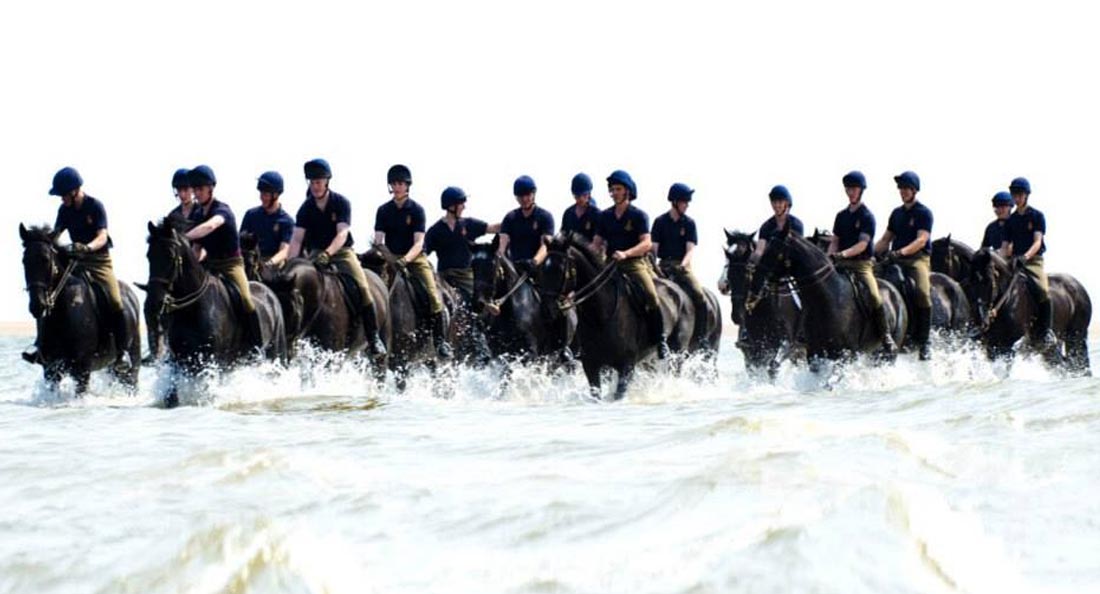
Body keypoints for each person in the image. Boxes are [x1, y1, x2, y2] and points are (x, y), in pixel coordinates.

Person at [27, 167, 133, 371]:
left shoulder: (95, 206)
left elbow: (102, 236)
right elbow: (56, 234)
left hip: (99, 261)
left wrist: (87, 247)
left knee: (115, 300)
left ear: (74, 191)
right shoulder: (64, 210)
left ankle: (122, 353)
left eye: (63, 195)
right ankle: (41, 346)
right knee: (50, 294)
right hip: (75, 261)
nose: (61, 199)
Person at [287, 158, 386, 356]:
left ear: (326, 182)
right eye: (312, 182)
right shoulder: (305, 208)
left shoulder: (341, 203)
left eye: (318, 182)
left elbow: (342, 234)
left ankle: (373, 336)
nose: (315, 186)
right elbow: (297, 239)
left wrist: (328, 253)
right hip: (315, 254)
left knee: (363, 287)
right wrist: (290, 264)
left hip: (341, 253)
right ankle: (291, 337)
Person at [183, 165, 263, 352]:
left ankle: (256, 347)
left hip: (230, 265)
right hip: (209, 264)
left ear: (211, 189)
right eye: (195, 189)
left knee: (246, 299)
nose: (197, 193)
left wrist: (183, 237)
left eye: (200, 189)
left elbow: (211, 226)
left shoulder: (222, 210)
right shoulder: (196, 214)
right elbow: (197, 248)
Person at [374, 164, 451, 359]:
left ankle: (440, 341)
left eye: (401, 183)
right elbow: (378, 240)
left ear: (407, 186)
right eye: (394, 183)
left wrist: (406, 259)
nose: (397, 187)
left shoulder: (417, 210)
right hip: (390, 257)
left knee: (433, 295)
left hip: (415, 259)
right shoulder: (383, 210)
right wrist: (385, 255)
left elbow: (419, 243)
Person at [592, 169, 670, 359]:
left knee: (651, 294)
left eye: (617, 189)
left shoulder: (638, 215)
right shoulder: (604, 216)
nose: (614, 193)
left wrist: (626, 253)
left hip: (634, 264)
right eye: (612, 189)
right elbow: (596, 244)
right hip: (610, 265)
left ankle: (660, 340)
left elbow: (646, 243)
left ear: (627, 191)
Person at [827, 170, 896, 355]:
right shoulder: (841, 216)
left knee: (874, 295)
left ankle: (885, 335)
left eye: (854, 189)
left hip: (860, 265)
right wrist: (830, 257)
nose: (851, 192)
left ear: (861, 190)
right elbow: (835, 240)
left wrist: (842, 254)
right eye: (848, 189)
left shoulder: (867, 216)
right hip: (840, 265)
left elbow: (862, 244)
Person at [874, 170, 934, 360]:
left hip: (917, 259)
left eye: (906, 188)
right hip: (895, 258)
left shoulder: (924, 213)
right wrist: (871, 252)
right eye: (901, 188)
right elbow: (886, 238)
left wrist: (900, 252)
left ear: (914, 190)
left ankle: (924, 341)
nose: (903, 191)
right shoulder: (897, 213)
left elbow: (921, 240)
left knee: (922, 292)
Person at [146, 168, 196, 363]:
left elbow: (207, 241)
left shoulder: (200, 212)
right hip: (177, 270)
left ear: (192, 190)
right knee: (153, 301)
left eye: (185, 189)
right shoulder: (172, 216)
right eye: (179, 190)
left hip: (200, 265)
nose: (182, 194)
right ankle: (156, 347)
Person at [650, 182, 708, 346]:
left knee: (699, 296)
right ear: (675, 201)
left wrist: (683, 265)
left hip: (682, 265)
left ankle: (702, 337)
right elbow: (654, 248)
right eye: (684, 201)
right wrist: (653, 265)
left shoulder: (689, 223)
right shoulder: (659, 222)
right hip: (662, 265)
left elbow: (690, 250)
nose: (687, 205)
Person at [1001, 176, 1055, 348]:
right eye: (1014, 194)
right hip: (1015, 261)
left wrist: (1025, 257)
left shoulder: (1037, 216)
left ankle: (1046, 331)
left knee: (1043, 290)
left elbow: (1037, 241)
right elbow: (1005, 246)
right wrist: (999, 260)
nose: (1016, 198)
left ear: (1026, 195)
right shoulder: (1011, 220)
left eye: (1019, 194)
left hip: (1033, 261)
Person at [423, 186, 500, 300]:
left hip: (466, 276)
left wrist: (510, 223)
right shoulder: (435, 230)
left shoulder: (469, 224)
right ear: (451, 206)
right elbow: (424, 252)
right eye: (461, 204)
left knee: (481, 301)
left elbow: (491, 228)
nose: (464, 207)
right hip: (444, 277)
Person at [497, 175, 555, 275]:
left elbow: (545, 246)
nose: (524, 199)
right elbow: (502, 245)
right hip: (514, 270)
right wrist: (499, 260)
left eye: (527, 195)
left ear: (533, 194)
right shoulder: (510, 218)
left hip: (538, 269)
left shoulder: (545, 217)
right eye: (520, 196)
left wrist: (534, 262)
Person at [239, 171, 294, 267]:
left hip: (272, 263)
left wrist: (269, 263)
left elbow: (284, 250)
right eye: (261, 193)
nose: (261, 197)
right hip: (251, 260)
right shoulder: (250, 215)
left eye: (265, 194)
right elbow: (240, 242)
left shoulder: (287, 221)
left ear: (276, 195)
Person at [751, 185, 804, 263]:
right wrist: (754, 257)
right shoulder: (766, 226)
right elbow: (760, 249)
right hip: (772, 265)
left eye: (780, 202)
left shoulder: (796, 224)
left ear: (786, 203)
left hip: (791, 265)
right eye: (774, 202)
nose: (776, 205)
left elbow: (799, 251)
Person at [560, 172, 600, 241]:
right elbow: (563, 235)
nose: (581, 199)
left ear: (589, 194)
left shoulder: (596, 214)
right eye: (577, 196)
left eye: (584, 195)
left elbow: (598, 242)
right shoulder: (568, 213)